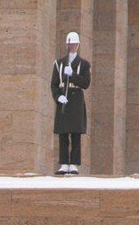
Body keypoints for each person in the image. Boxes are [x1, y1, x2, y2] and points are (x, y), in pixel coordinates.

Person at [51, 31, 91, 175]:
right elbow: (54, 85)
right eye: (70, 44)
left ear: (78, 45)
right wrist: (58, 97)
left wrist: (73, 75)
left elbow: (86, 83)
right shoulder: (58, 64)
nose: (72, 46)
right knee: (63, 133)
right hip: (64, 100)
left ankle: (73, 163)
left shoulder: (84, 64)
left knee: (75, 134)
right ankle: (63, 163)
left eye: (74, 44)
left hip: (76, 100)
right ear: (67, 45)